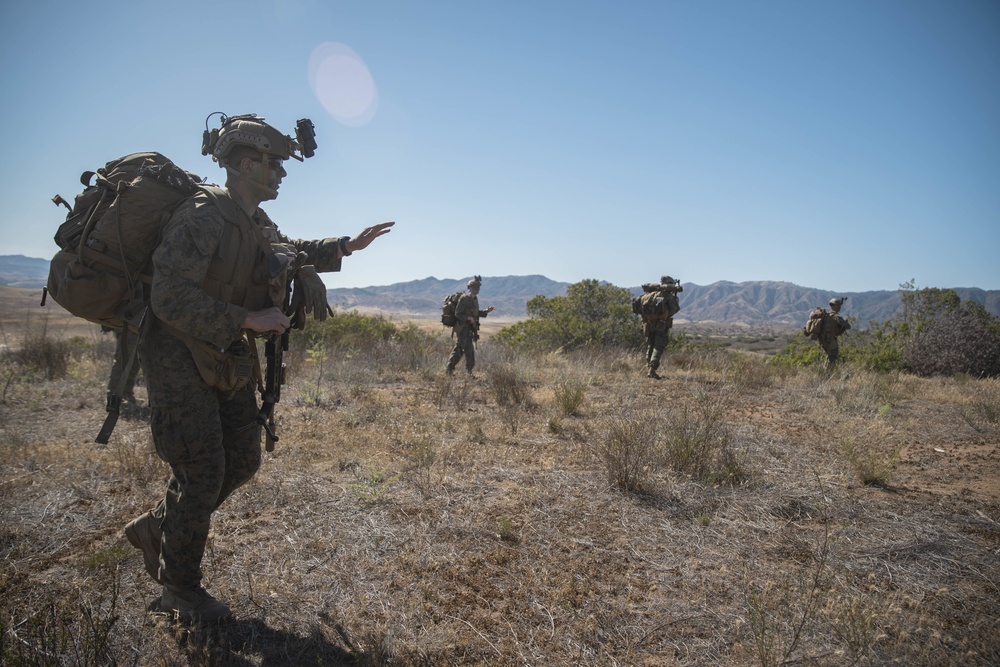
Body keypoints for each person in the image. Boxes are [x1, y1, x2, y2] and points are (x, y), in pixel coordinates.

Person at [123, 113, 393, 623]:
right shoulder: (203, 214)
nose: (282, 175)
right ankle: (179, 589)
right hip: (180, 353)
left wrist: (344, 246)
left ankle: (161, 527)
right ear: (248, 165)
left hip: (225, 350)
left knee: (242, 459)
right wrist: (246, 316)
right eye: (275, 166)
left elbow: (286, 248)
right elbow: (168, 295)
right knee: (203, 470)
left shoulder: (252, 220)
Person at [445, 275, 495, 376]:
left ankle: (449, 369)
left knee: (459, 349)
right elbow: (458, 313)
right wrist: (468, 318)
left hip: (469, 329)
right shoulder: (464, 299)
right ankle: (469, 373)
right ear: (470, 288)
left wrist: (487, 311)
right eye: (474, 287)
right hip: (462, 328)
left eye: (478, 288)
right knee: (469, 351)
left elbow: (475, 313)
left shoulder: (475, 299)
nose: (476, 289)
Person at [639, 276, 682, 380]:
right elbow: (673, 310)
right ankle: (652, 370)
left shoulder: (648, 295)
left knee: (650, 344)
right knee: (658, 346)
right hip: (661, 324)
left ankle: (649, 367)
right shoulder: (666, 295)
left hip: (648, 324)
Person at [817, 296, 851, 368]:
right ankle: (828, 374)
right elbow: (848, 326)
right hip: (830, 340)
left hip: (823, 340)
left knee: (829, 356)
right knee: (833, 357)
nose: (840, 307)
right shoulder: (835, 316)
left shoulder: (826, 315)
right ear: (836, 306)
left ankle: (825, 372)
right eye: (839, 305)